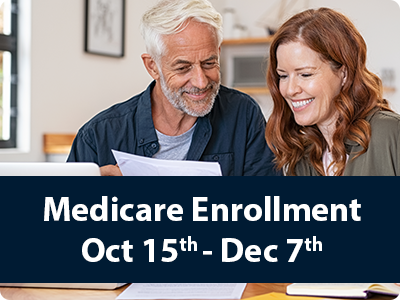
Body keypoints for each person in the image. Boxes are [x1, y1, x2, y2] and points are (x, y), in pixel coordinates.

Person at [67, 0, 279, 176]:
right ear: (153, 66)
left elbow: (269, 208)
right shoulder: (98, 136)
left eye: (209, 63)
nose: (201, 82)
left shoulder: (243, 115)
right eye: (183, 67)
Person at [265, 7, 400, 176]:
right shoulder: (302, 158)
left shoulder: (391, 133)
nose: (290, 90)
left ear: (344, 73)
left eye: (305, 74)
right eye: (283, 76)